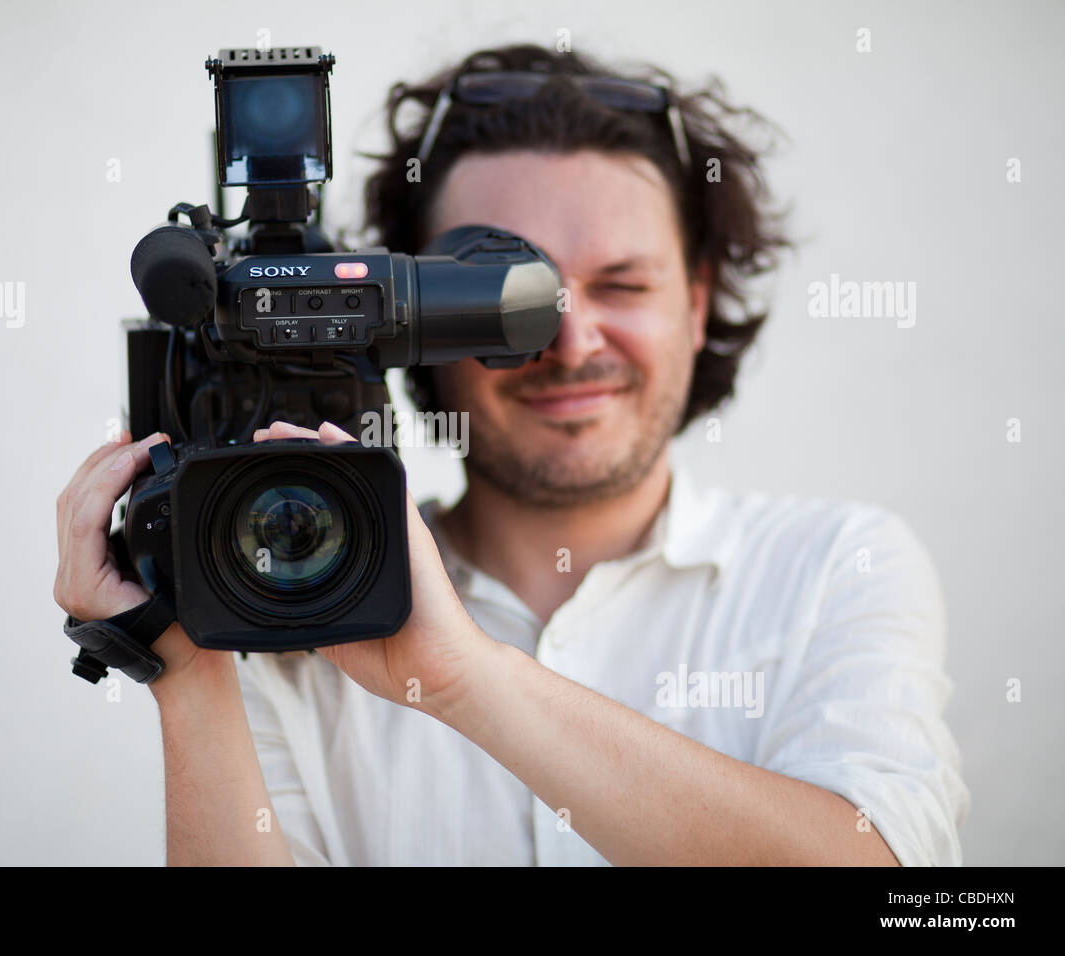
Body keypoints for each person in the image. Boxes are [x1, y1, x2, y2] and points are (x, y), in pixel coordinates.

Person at [53, 43, 969, 865]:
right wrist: (182, 666)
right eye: (509, 303)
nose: (570, 346)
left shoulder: (832, 570)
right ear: (406, 322)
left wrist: (463, 679)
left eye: (623, 283)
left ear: (697, 301)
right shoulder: (285, 613)